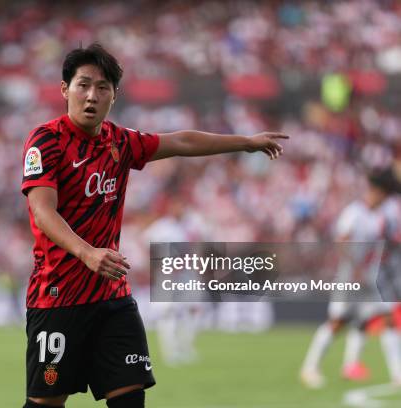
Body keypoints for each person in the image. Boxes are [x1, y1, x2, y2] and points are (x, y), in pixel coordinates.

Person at [20, 43, 288, 408]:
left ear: (114, 96)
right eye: (83, 85)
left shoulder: (120, 142)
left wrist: (245, 143)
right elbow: (42, 210)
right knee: (46, 404)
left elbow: (180, 141)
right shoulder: (46, 140)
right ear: (65, 89)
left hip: (111, 298)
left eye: (103, 88)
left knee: (130, 399)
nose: (91, 96)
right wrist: (86, 253)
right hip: (57, 298)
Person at [300, 168, 401, 389]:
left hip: (372, 277)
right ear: (378, 192)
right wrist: (355, 268)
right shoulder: (354, 212)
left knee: (388, 319)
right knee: (338, 322)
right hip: (350, 276)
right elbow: (342, 241)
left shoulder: (381, 216)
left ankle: (397, 375)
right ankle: (309, 367)